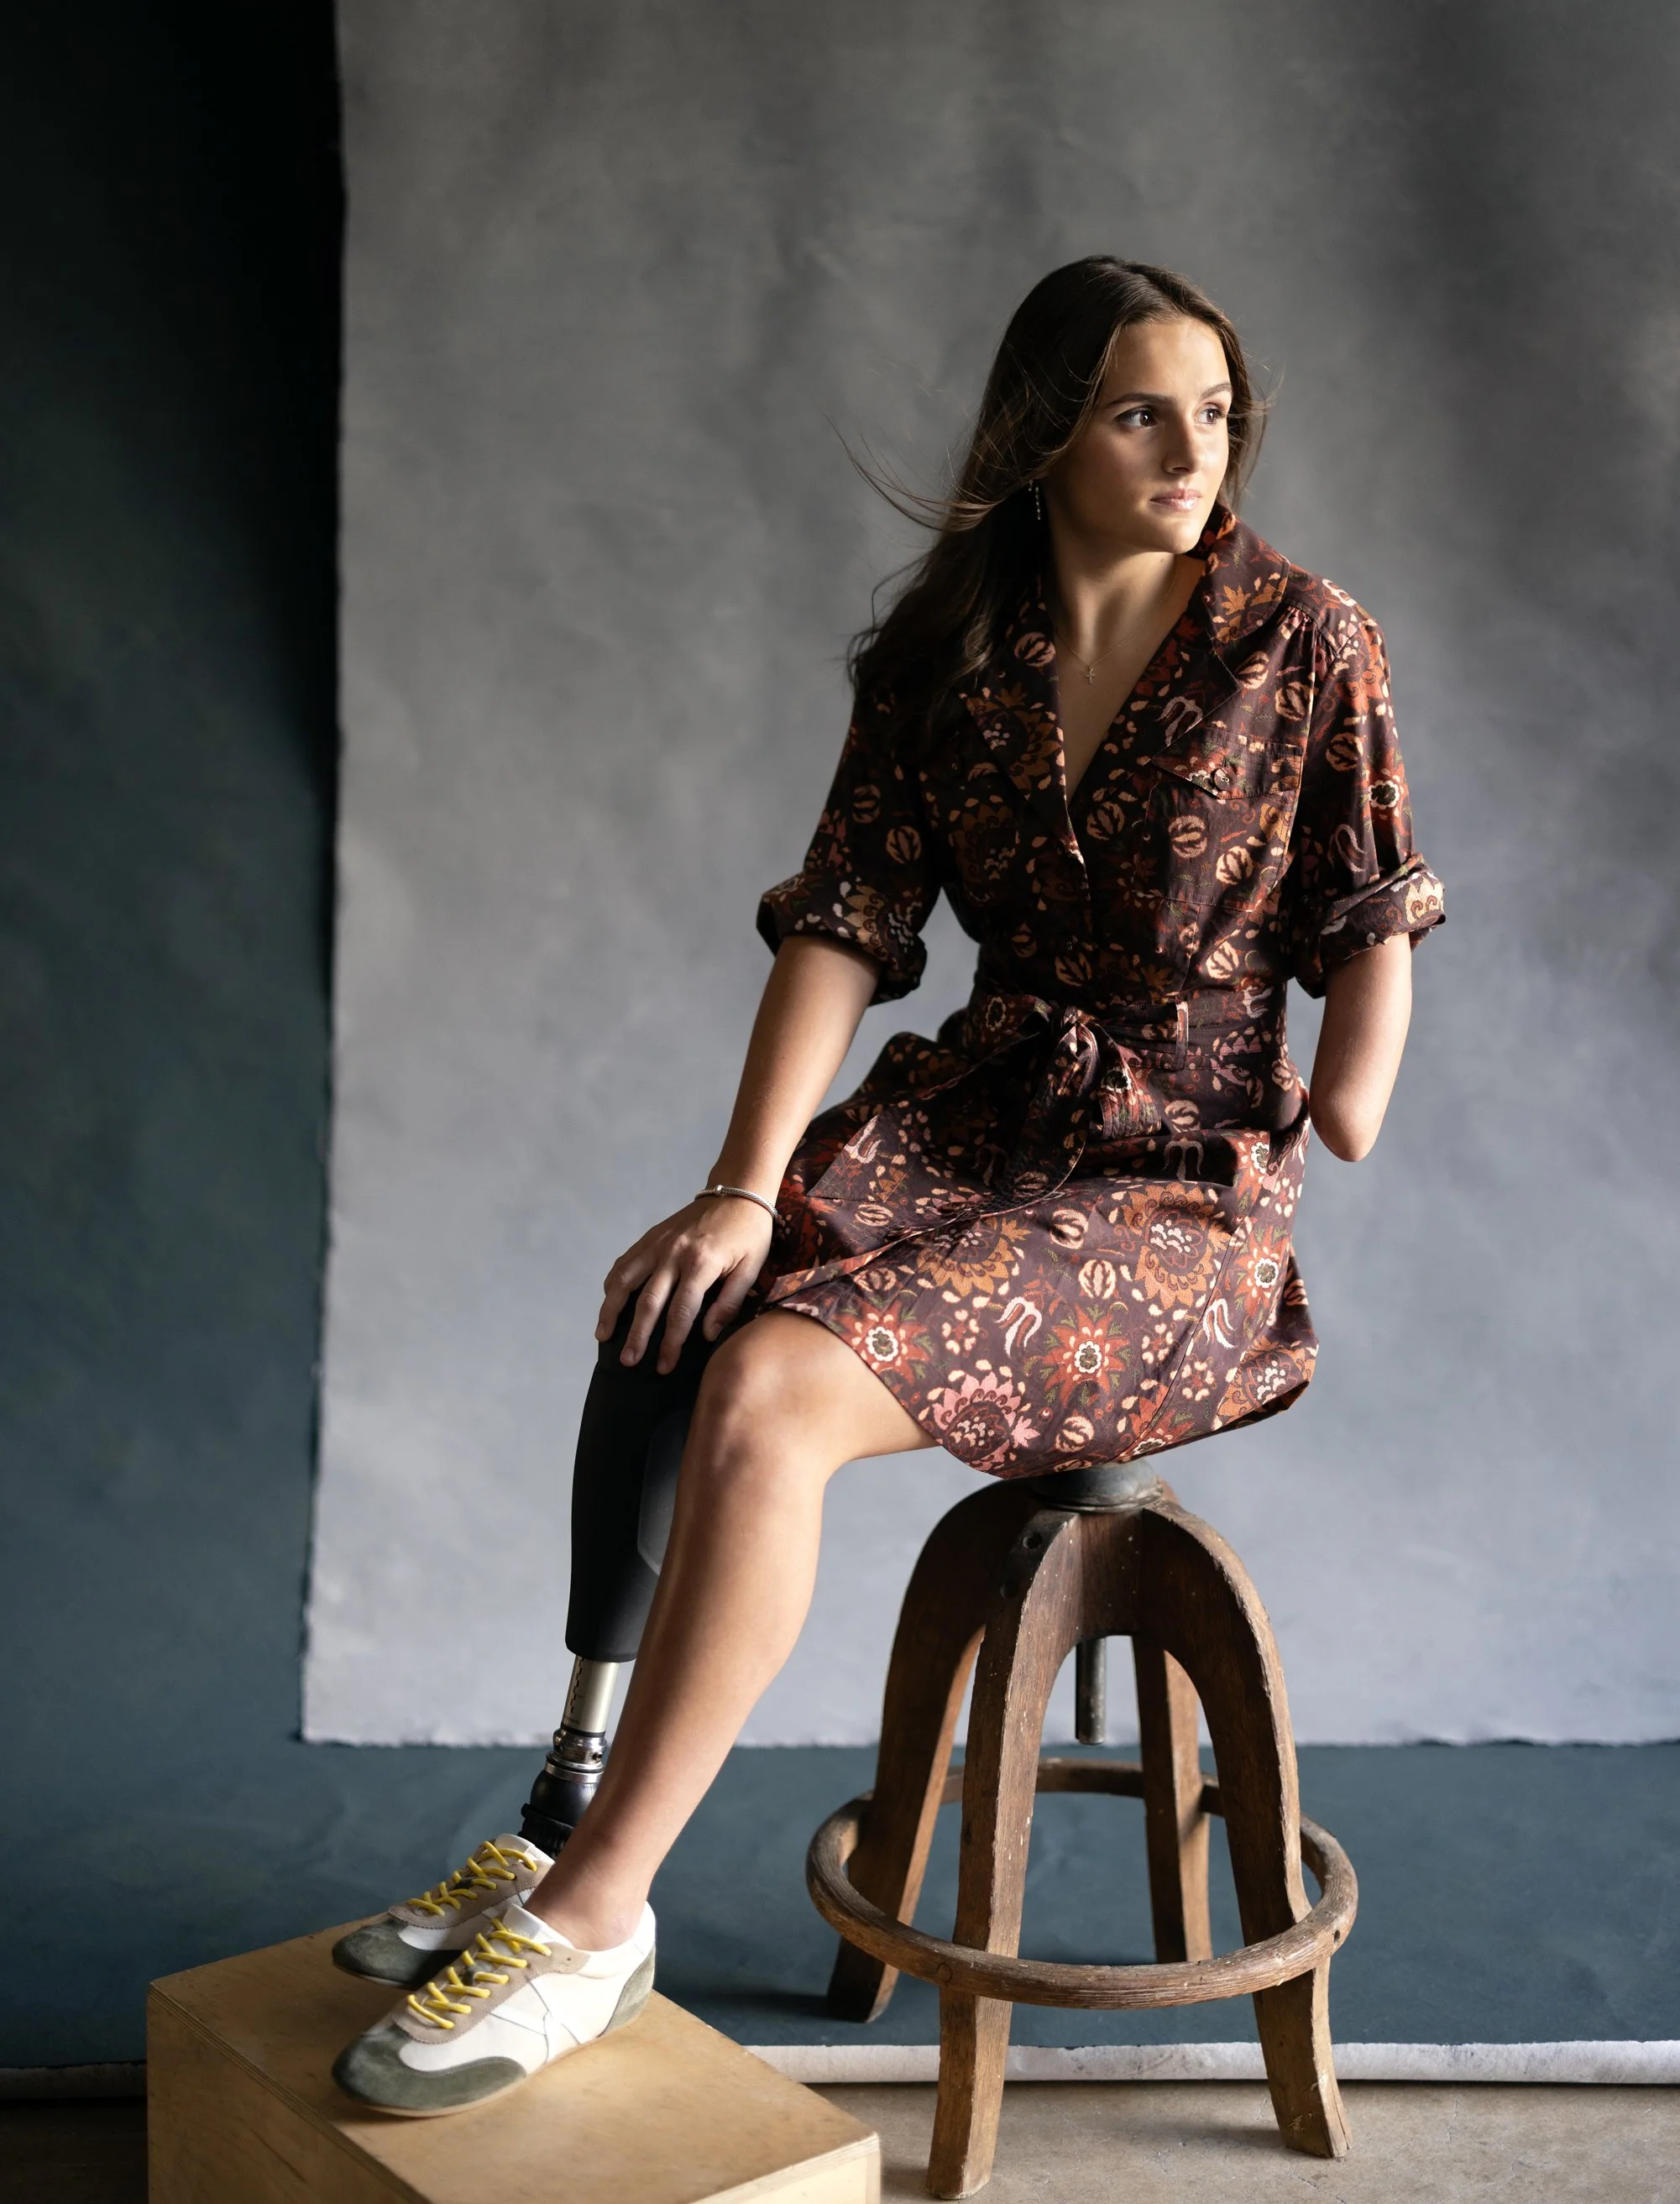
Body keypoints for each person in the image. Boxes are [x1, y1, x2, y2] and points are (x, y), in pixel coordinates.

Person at [331, 257, 1444, 2113]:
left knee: (773, 1392)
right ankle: (557, 1818)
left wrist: (1349, 1089)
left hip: (1179, 1191)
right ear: (1045, 437)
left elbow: (1370, 895)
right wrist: (741, 1187)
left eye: (1216, 413)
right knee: (674, 1314)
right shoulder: (948, 660)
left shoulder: (1305, 637)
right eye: (1141, 415)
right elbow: (846, 923)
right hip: (978, 1118)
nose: (1194, 452)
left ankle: (597, 1924)